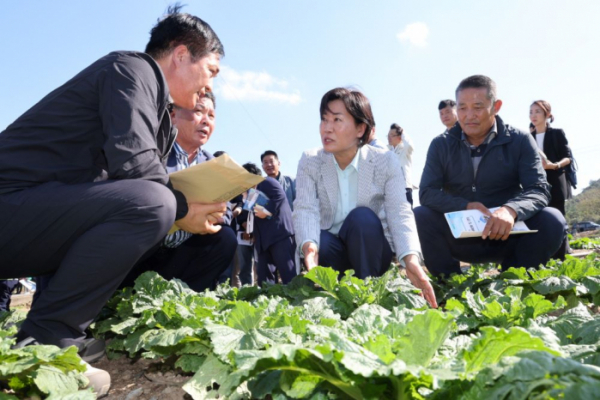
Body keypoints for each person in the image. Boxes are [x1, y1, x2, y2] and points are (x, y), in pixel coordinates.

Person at [0, 6, 225, 395]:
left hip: (28, 216)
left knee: (132, 201)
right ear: (181, 54)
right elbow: (136, 165)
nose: (208, 87)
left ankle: (50, 325)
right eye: (211, 71)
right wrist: (183, 210)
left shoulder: (159, 113)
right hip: (10, 205)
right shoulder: (132, 69)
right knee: (152, 202)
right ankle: (47, 336)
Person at [293, 87, 437, 308]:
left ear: (360, 129)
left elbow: (399, 211)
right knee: (321, 238)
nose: (327, 128)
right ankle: (335, 292)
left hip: (371, 250)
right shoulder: (310, 161)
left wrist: (411, 260)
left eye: (337, 120)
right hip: (332, 254)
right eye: (324, 119)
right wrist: (310, 250)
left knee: (362, 218)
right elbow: (305, 208)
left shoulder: (384, 161)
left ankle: (368, 294)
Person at [416, 75, 565, 278]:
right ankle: (448, 283)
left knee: (552, 219)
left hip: (508, 235)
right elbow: (427, 192)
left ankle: (514, 277)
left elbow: (538, 189)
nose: (469, 116)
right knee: (420, 215)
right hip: (461, 238)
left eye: (478, 107)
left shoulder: (520, 140)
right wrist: (465, 206)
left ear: (496, 106)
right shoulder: (440, 145)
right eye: (462, 108)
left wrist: (511, 210)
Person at [122, 92, 237, 292]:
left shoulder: (214, 165)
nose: (205, 121)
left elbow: (225, 213)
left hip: (183, 250)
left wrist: (217, 215)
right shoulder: (153, 152)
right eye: (199, 111)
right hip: (145, 248)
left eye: (211, 116)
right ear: (173, 115)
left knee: (225, 238)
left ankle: (187, 299)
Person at [529, 100, 572, 259]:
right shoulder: (528, 137)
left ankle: (561, 258)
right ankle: (544, 256)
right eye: (531, 112)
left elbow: (567, 158)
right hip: (536, 185)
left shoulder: (557, 133)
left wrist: (554, 165)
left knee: (558, 219)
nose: (533, 115)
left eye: (537, 111)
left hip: (555, 180)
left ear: (547, 114)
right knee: (541, 220)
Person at [253, 176, 297, 285]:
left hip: (279, 235)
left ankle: (295, 300)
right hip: (263, 240)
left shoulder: (267, 182)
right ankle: (267, 301)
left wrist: (266, 211)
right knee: (264, 278)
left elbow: (280, 196)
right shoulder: (247, 192)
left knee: (287, 274)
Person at [387, 123, 417, 207]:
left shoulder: (405, 150)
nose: (389, 137)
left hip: (404, 188)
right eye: (388, 135)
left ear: (400, 138)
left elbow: (410, 145)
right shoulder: (386, 152)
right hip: (391, 190)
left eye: (392, 135)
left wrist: (403, 132)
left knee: (407, 216)